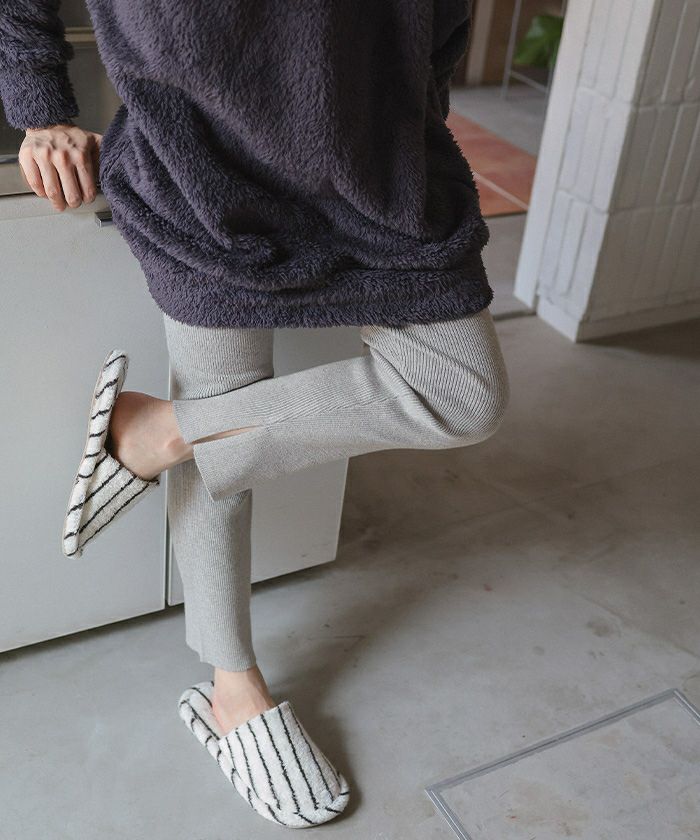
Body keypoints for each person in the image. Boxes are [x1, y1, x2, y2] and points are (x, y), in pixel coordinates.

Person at [0, 0, 509, 827]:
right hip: (200, 171)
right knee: (222, 427)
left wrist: (422, 100)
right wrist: (41, 107)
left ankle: (161, 433)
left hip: (381, 169)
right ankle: (232, 688)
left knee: (464, 393)